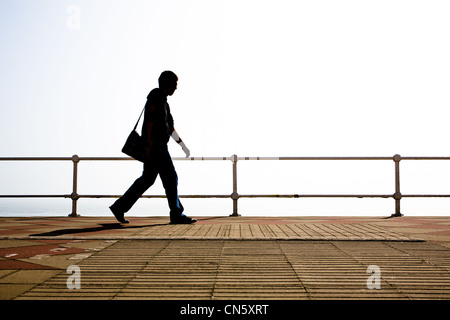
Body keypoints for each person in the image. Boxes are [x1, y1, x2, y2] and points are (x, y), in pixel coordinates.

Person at [110, 71, 196, 224]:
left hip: (158, 148)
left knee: (148, 180)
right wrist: (149, 146)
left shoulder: (164, 102)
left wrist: (183, 146)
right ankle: (176, 214)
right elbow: (149, 123)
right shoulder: (156, 97)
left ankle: (119, 207)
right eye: (174, 84)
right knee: (170, 178)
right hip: (156, 149)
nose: (176, 88)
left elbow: (170, 129)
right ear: (166, 83)